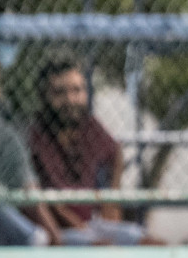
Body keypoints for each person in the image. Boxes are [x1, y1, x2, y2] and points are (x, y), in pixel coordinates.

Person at [27, 55, 151, 245]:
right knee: (104, 248)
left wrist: (111, 203)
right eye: (59, 92)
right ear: (44, 96)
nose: (70, 100)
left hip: (92, 223)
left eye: (77, 90)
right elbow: (52, 206)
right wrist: (90, 235)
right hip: (57, 231)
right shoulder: (37, 137)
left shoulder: (89, 126)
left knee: (148, 242)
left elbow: (115, 152)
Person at [0, 60, 56, 246]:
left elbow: (30, 192)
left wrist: (56, 240)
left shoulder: (3, 134)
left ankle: (30, 237)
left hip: (0, 234)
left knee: (128, 236)